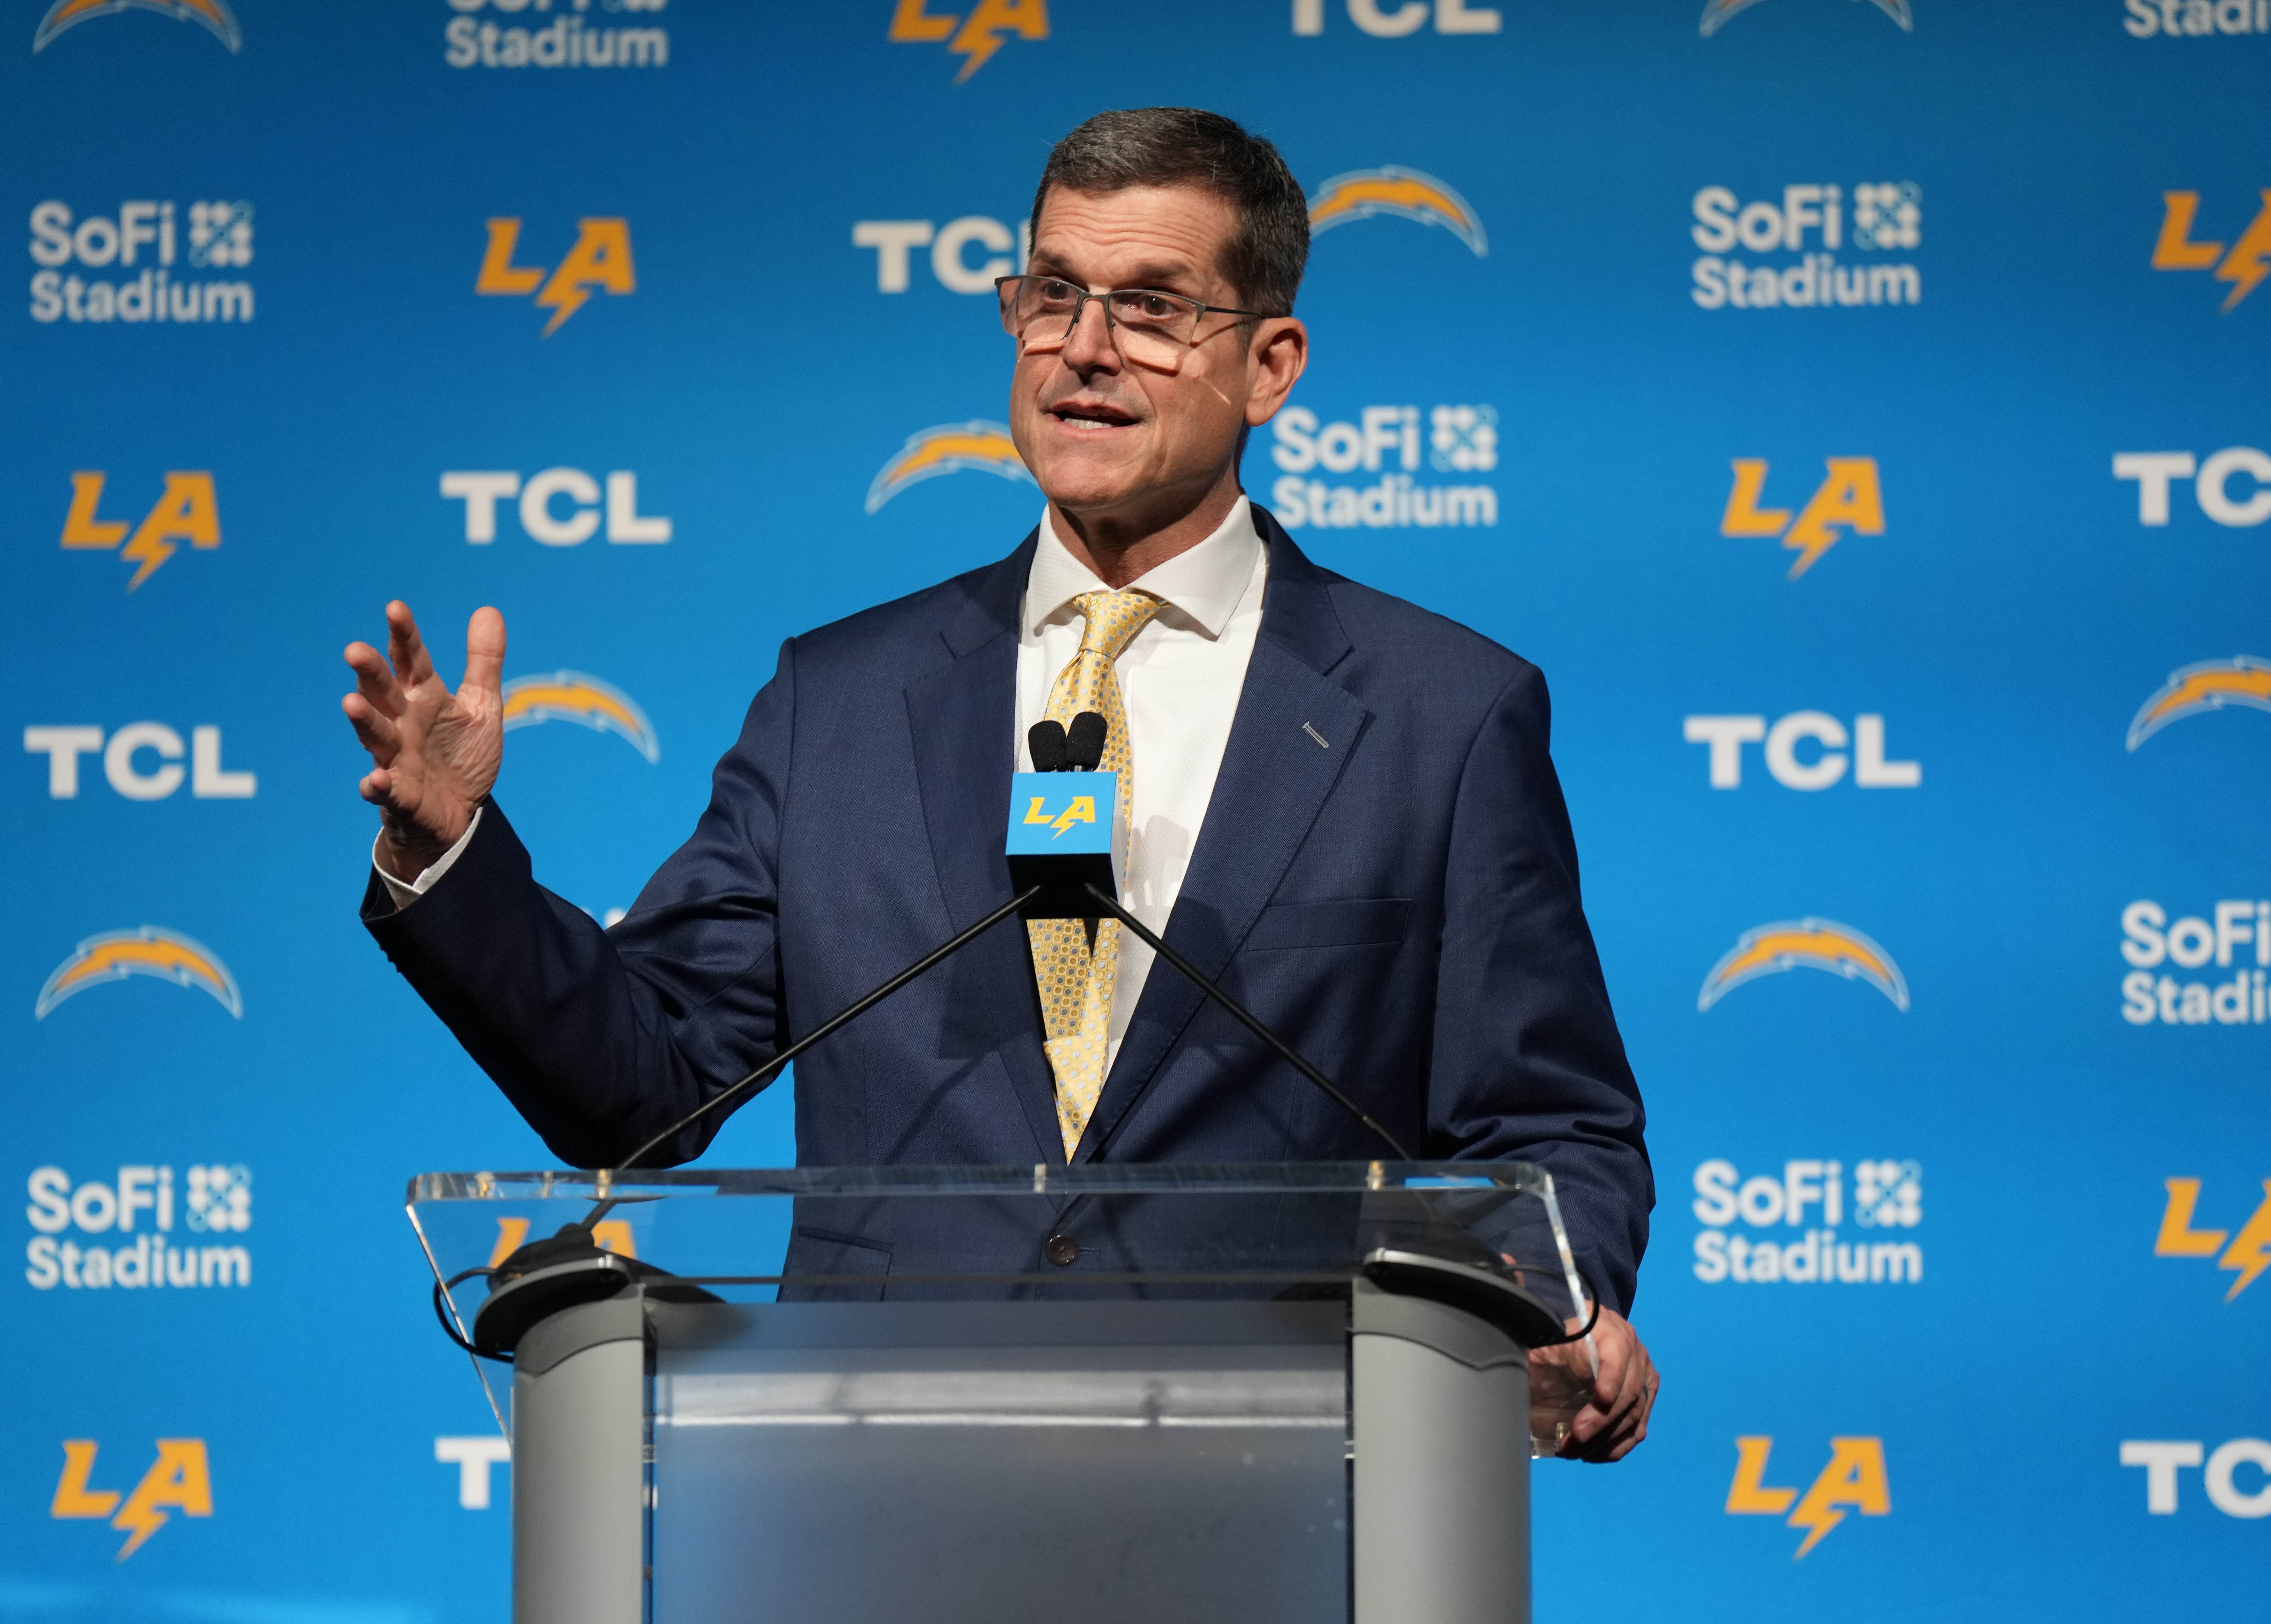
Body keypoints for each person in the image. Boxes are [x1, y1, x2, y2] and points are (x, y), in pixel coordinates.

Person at [344, 108, 1656, 1460]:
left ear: (1270, 364)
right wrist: (453, 853)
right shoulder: (836, 702)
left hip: (1285, 1489)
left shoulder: (1441, 713)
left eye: (1152, 308)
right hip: (875, 1494)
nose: (1084, 348)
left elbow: (1551, 1123)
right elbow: (645, 1085)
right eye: (1052, 295)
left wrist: (1549, 1308)